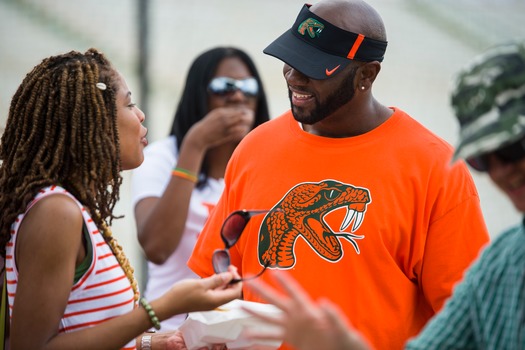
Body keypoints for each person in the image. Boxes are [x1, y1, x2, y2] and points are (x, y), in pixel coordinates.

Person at [187, 0, 490, 349]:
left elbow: (468, 321)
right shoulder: (256, 148)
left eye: (316, 68)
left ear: (367, 75)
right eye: (291, 59)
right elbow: (217, 282)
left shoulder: (435, 168)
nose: (293, 76)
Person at [243, 41, 525, 350]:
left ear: (367, 74)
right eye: (482, 159)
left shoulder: (433, 166)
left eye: (513, 149)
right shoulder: (505, 260)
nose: (501, 172)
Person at [0, 48, 242, 350]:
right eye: (129, 104)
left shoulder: (73, 206)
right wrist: (160, 309)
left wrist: (159, 342)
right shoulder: (56, 212)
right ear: (93, 120)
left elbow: (87, 331)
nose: (140, 115)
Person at [131, 46, 270, 330]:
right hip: (172, 333)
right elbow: (156, 248)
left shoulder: (266, 162)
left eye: (248, 86)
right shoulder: (162, 157)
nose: (239, 96)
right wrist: (195, 144)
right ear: (199, 94)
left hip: (243, 335)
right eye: (224, 87)